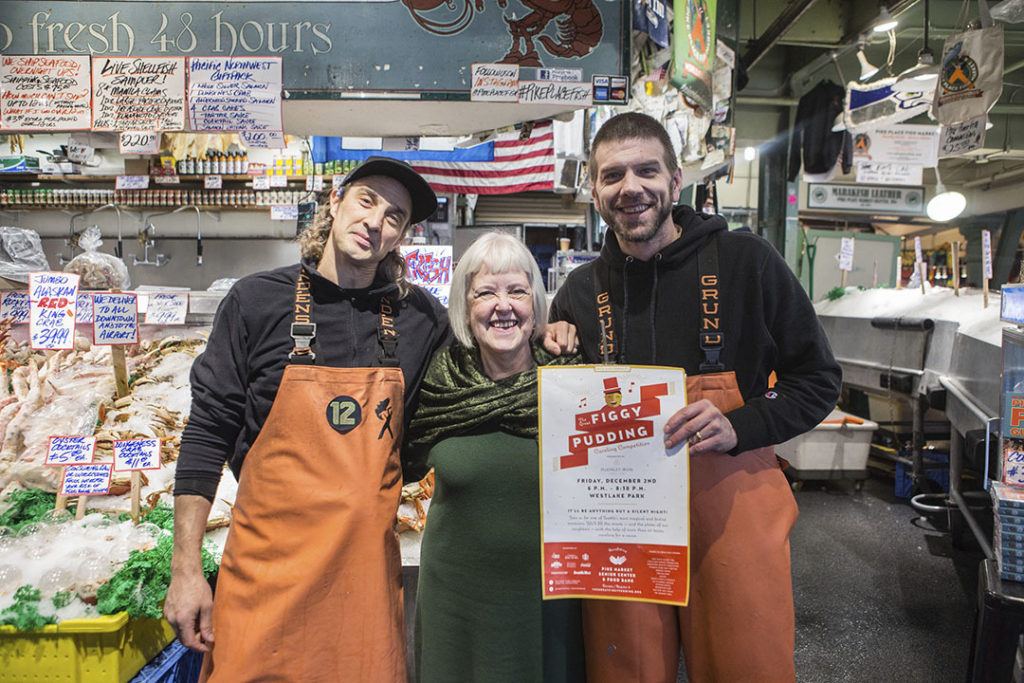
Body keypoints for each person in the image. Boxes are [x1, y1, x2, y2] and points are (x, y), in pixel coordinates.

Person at [549, 112, 842, 682]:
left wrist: (745, 425)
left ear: (675, 180)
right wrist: (551, 350)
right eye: (612, 176)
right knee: (624, 672)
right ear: (594, 191)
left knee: (747, 668)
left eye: (646, 170)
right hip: (619, 518)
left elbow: (818, 379)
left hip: (733, 507)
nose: (630, 187)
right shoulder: (579, 294)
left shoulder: (748, 263)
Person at [166, 157, 451, 682]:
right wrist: (185, 570)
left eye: (395, 217)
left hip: (362, 592)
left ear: (401, 236)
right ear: (335, 202)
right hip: (264, 582)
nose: (375, 222)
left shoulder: (423, 320)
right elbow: (207, 432)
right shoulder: (255, 302)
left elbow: (464, 397)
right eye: (366, 201)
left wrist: (550, 339)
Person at [407, 232, 586, 683]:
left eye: (517, 291)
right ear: (465, 309)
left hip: (553, 597)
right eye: (485, 292)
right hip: (456, 598)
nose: (502, 305)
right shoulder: (439, 383)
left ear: (536, 305)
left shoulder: (574, 381)